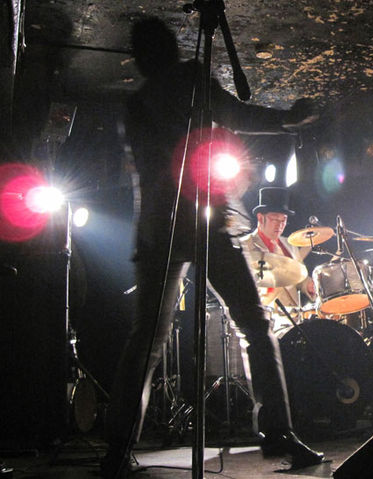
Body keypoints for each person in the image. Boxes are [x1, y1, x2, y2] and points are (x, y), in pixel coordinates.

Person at [101, 17, 323, 478]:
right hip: (203, 219)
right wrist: (285, 119)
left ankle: (117, 451)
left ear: (140, 59)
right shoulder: (188, 79)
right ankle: (278, 433)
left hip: (161, 226)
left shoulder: (136, 104)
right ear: (171, 50)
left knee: (147, 341)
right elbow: (237, 115)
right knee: (254, 326)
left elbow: (152, 169)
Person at [240, 187, 316, 323]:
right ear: (260, 218)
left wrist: (309, 285)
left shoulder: (289, 244)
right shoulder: (245, 246)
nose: (280, 225)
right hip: (268, 320)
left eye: (284, 220)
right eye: (274, 219)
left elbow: (299, 278)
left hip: (295, 318)